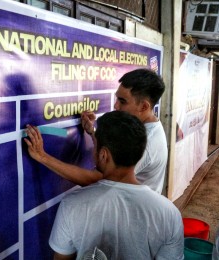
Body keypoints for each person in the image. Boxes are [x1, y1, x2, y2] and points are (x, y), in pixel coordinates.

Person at [47, 111, 184, 259]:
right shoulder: (169, 213)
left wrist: (42, 156)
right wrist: (94, 133)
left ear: (103, 154)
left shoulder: (72, 205)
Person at [24, 68, 167, 193]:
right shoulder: (143, 128)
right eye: (117, 99)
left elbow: (99, 179)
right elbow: (114, 154)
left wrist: (42, 157)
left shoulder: (146, 143)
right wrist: (93, 132)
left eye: (123, 101)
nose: (116, 106)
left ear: (144, 107)